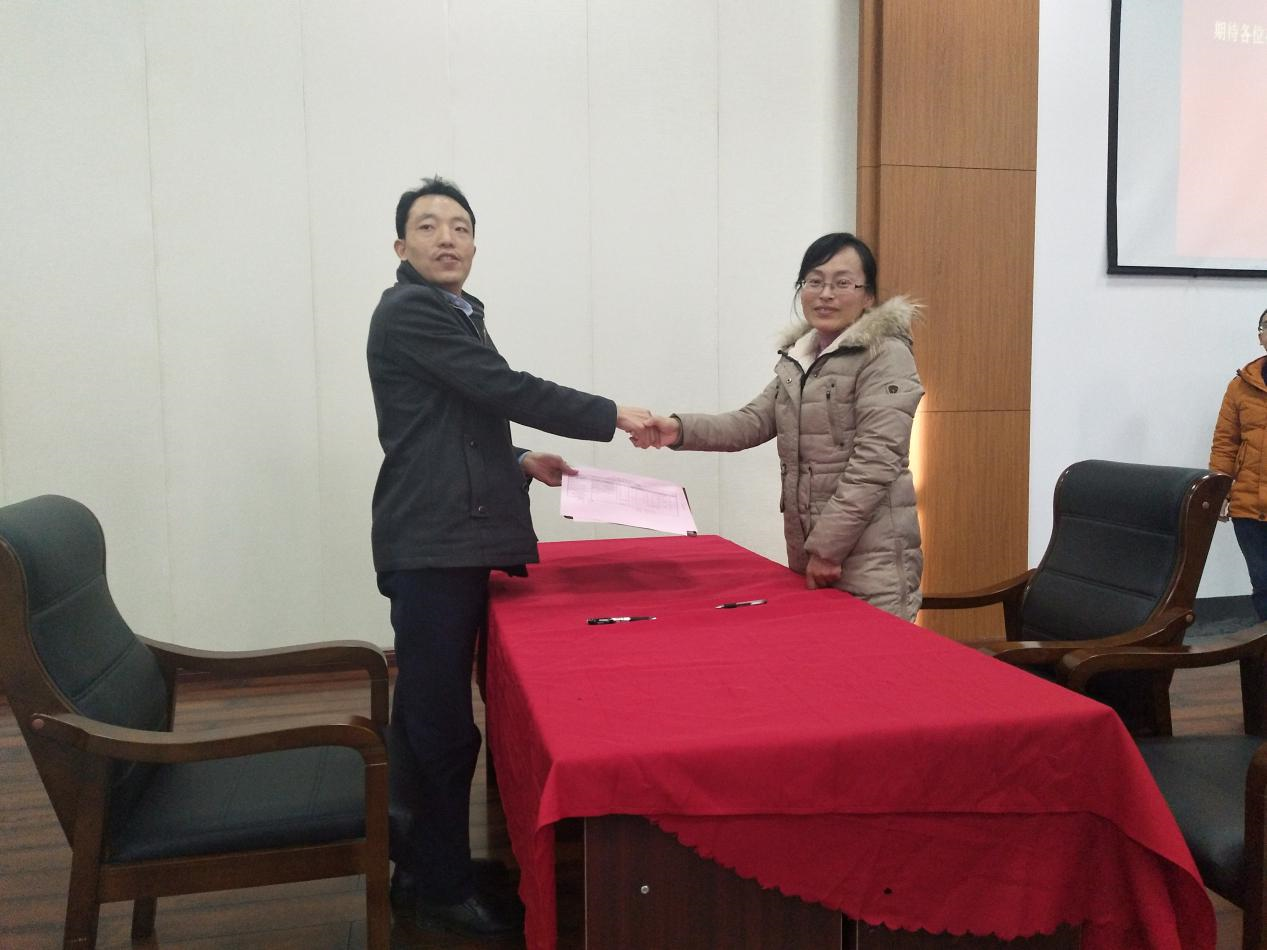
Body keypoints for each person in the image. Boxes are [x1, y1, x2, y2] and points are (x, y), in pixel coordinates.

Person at [367, 176, 651, 938]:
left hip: (444, 537)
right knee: (438, 726)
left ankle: (425, 867)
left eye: (459, 226)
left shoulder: (454, 310)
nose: (447, 238)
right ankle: (438, 889)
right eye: (428, 226)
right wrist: (611, 414)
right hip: (432, 543)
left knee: (429, 718)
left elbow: (458, 414)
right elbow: (500, 386)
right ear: (400, 246)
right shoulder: (411, 310)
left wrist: (518, 458)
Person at [635, 232, 924, 621]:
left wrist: (827, 549)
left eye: (842, 283)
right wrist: (677, 428)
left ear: (868, 296)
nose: (825, 294)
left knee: (872, 656)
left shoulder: (885, 355)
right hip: (812, 554)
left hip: (872, 560)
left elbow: (876, 461)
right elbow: (749, 422)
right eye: (814, 281)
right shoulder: (802, 358)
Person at [1209, 307, 1267, 620]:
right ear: (1260, 337)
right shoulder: (1240, 386)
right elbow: (1225, 442)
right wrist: (1218, 490)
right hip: (1250, 507)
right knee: (1263, 583)